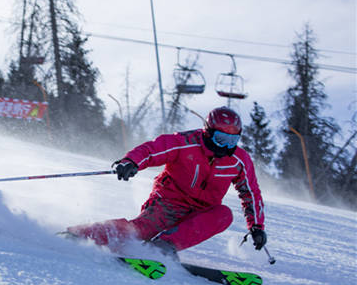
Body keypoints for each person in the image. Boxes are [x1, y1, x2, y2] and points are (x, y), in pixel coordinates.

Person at [66, 106, 267, 256]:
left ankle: (162, 247)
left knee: (224, 214)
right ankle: (80, 235)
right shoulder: (185, 143)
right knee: (139, 231)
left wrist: (257, 227)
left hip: (200, 213)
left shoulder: (239, 160)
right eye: (221, 139)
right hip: (168, 203)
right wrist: (131, 162)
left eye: (233, 141)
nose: (226, 146)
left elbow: (251, 193)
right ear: (208, 131)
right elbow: (153, 149)